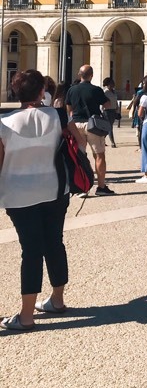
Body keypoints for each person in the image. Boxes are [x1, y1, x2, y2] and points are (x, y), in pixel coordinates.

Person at [0, 69, 85, 330]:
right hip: (55, 189)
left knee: (31, 251)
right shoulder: (58, 116)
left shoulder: (4, 122)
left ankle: (27, 315)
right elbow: (81, 144)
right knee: (55, 243)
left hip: (18, 193)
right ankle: (57, 300)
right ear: (41, 92)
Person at [66, 65, 114, 196]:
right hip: (93, 125)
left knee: (79, 156)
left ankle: (82, 187)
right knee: (99, 155)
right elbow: (107, 104)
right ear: (91, 75)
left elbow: (68, 109)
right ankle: (101, 187)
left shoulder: (72, 90)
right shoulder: (96, 90)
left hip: (76, 125)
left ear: (79, 74)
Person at [102, 77, 120, 148]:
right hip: (107, 111)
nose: (113, 84)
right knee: (109, 127)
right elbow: (102, 102)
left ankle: (102, 139)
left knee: (108, 127)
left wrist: (117, 111)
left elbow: (115, 101)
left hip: (113, 110)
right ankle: (113, 142)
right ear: (108, 84)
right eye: (112, 83)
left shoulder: (114, 92)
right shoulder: (105, 92)